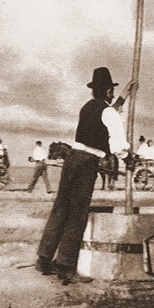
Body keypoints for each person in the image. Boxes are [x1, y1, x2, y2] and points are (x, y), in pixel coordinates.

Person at [36, 67, 135, 284]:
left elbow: (108, 113)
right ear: (108, 91)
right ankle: (65, 268)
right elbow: (116, 140)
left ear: (94, 91)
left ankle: (43, 260)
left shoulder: (88, 108)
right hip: (87, 163)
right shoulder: (107, 112)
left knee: (61, 208)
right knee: (77, 214)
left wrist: (125, 95)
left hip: (72, 159)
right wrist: (128, 158)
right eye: (111, 91)